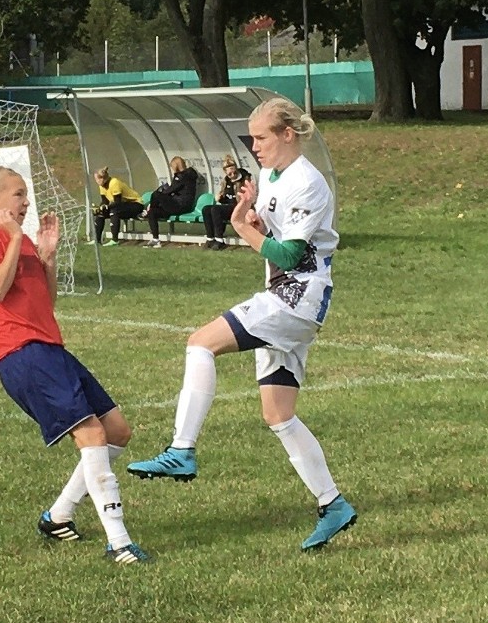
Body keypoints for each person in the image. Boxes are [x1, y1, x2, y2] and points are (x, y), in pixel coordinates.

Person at [127, 97, 357, 552]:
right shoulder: (272, 176)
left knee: (200, 344)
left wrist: (243, 228)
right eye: (251, 138)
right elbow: (277, 238)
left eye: (261, 137)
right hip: (289, 301)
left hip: (294, 300)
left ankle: (182, 451)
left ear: (288, 134)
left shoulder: (307, 183)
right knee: (278, 414)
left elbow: (290, 256)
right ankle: (334, 506)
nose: (254, 146)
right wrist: (250, 216)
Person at [0, 166, 150, 564]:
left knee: (117, 430)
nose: (26, 201)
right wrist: (15, 238)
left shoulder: (24, 240)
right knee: (92, 436)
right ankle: (120, 544)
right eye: (18, 195)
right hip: (23, 354)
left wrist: (46, 257)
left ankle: (58, 515)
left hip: (51, 349)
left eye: (25, 194)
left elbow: (47, 302)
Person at [144, 156, 198, 248]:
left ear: (176, 166)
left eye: (172, 166)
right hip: (176, 205)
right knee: (152, 213)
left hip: (180, 205)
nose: (172, 169)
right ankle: (156, 240)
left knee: (156, 194)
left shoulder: (183, 176)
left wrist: (161, 193)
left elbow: (169, 191)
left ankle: (147, 210)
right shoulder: (186, 176)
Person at [201, 155, 251, 250]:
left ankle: (219, 240)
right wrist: (219, 198)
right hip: (228, 206)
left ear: (236, 168)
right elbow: (225, 197)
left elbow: (247, 197)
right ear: (225, 172)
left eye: (234, 172)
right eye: (229, 174)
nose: (232, 175)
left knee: (216, 209)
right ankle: (210, 238)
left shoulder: (244, 179)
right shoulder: (226, 181)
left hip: (239, 206)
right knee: (206, 209)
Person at [92, 167, 144, 247]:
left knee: (114, 211)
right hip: (123, 205)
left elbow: (117, 201)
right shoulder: (101, 186)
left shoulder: (114, 182)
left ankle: (114, 240)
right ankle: (97, 240)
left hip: (136, 204)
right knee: (101, 212)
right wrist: (100, 207)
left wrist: (107, 207)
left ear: (102, 178)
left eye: (97, 179)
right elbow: (105, 201)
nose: (96, 181)